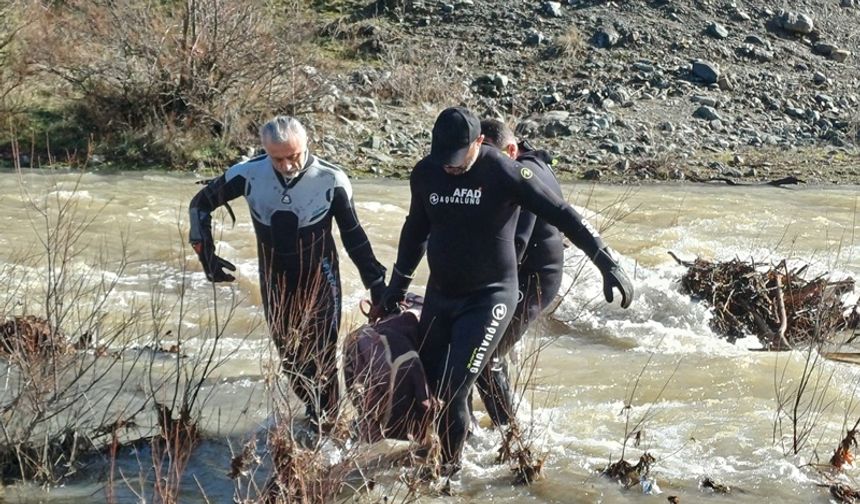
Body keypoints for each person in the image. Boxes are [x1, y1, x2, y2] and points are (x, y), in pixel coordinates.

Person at [376, 106, 633, 473]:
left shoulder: (504, 171)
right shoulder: (426, 173)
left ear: (479, 142)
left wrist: (607, 262)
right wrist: (396, 285)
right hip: (441, 295)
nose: (450, 167)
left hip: (490, 297)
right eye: (443, 158)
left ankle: (450, 477)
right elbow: (415, 230)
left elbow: (562, 212)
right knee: (430, 383)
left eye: (457, 159)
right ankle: (445, 451)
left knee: (453, 391)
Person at [189, 115, 386, 425]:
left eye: (293, 156)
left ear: (306, 145)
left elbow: (354, 237)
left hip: (321, 279)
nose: (287, 165)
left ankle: (330, 427)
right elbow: (199, 205)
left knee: (321, 358)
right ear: (265, 150)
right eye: (277, 158)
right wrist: (207, 255)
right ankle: (316, 418)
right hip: (275, 282)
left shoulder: (331, 180)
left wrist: (377, 284)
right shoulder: (249, 175)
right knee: (292, 362)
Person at [474, 118, 568, 427]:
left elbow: (518, 243)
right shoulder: (517, 164)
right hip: (525, 272)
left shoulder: (526, 176)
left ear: (511, 150)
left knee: (485, 358)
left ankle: (509, 433)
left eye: (492, 157)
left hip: (534, 278)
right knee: (485, 353)